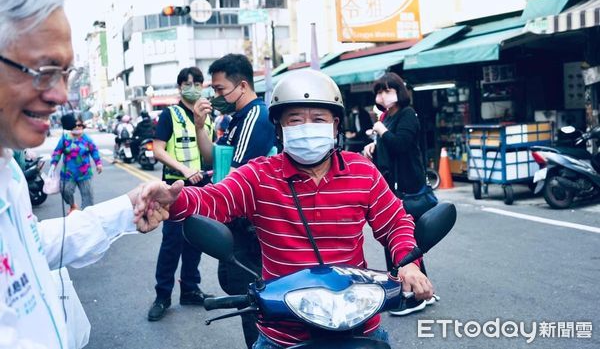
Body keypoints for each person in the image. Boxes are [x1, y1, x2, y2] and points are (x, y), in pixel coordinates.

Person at [136, 69, 433, 349]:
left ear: (335, 126)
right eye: (295, 120)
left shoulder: (361, 171)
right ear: (279, 128)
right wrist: (173, 201)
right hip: (284, 334)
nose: (307, 128)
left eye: (318, 119)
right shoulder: (259, 175)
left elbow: (395, 222)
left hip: (359, 327)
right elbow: (215, 199)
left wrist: (407, 263)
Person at [0, 0, 174, 349]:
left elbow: (31, 248)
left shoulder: (8, 168)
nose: (62, 96)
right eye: (45, 72)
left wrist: (125, 207)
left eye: (66, 74)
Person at [193, 53, 275, 348]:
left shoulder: (257, 116)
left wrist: (197, 197)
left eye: (219, 90)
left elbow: (235, 177)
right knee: (245, 293)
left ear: (241, 85)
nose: (216, 96)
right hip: (237, 223)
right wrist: (199, 124)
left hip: (251, 225)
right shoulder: (236, 119)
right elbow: (211, 157)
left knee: (253, 301)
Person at [363, 72, 438, 316]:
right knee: (408, 240)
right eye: (379, 91)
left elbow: (402, 144)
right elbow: (388, 148)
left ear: (399, 91)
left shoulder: (407, 114)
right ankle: (421, 289)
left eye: (387, 90)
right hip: (391, 184)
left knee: (395, 237)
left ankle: (409, 295)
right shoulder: (387, 116)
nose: (383, 95)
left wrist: (382, 131)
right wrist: (374, 145)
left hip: (406, 185)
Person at [147, 66, 215, 322]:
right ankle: (162, 295)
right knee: (172, 243)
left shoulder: (208, 115)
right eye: (187, 83)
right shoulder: (170, 114)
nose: (192, 87)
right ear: (179, 87)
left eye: (197, 82)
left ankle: (189, 288)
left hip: (201, 187)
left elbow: (210, 148)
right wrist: (185, 170)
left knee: (195, 240)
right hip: (175, 188)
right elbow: (158, 150)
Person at [50, 117, 102, 212]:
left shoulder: (87, 139)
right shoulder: (65, 138)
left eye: (79, 125)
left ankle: (87, 215)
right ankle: (72, 205)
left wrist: (98, 163)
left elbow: (94, 151)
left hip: (85, 174)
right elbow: (57, 151)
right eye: (75, 125)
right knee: (65, 191)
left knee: (88, 197)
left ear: (82, 126)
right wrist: (53, 165)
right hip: (68, 173)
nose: (77, 127)